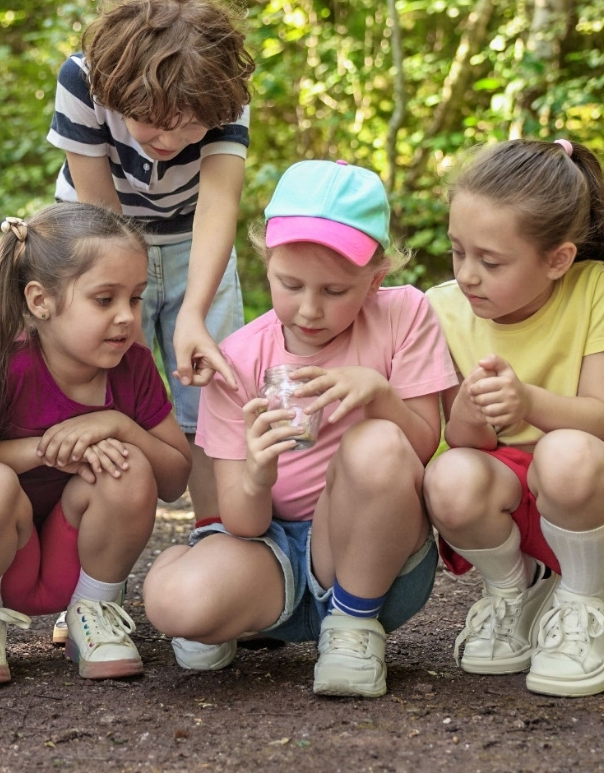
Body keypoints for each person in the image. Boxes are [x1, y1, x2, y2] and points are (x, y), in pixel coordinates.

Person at [143, 159, 457, 698]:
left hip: (380, 564)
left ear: (375, 278)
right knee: (177, 604)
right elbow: (243, 522)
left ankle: (353, 628)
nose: (309, 309)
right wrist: (258, 472)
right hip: (273, 557)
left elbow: (423, 445)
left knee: (378, 441)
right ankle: (207, 585)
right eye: (291, 284)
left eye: (335, 291)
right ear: (266, 261)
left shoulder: (403, 314)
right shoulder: (238, 360)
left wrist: (380, 394)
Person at [0, 203, 191, 685]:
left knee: (128, 466)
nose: (126, 317)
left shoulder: (134, 369)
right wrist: (48, 449)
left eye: (136, 298)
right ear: (41, 301)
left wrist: (119, 426)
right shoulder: (4, 368)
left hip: (77, 560)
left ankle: (94, 616)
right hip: (0, 560)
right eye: (105, 300)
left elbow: (174, 479)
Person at [47, 0, 255, 521]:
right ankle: (85, 537)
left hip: (194, 242)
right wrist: (125, 305)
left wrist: (192, 316)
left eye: (188, 129)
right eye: (150, 125)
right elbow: (101, 213)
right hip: (98, 243)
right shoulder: (83, 81)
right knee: (103, 383)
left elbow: (218, 205)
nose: (167, 144)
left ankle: (216, 534)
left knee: (210, 393)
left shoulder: (219, 89)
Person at [425, 138, 604, 697]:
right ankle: (514, 591)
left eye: (490, 261)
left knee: (567, 451)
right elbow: (457, 440)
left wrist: (528, 403)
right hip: (507, 490)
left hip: (585, 492)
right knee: (449, 477)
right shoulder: (442, 308)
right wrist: (474, 414)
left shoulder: (593, 291)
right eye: (458, 252)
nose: (468, 275)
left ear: (557, 259)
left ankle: (582, 602)